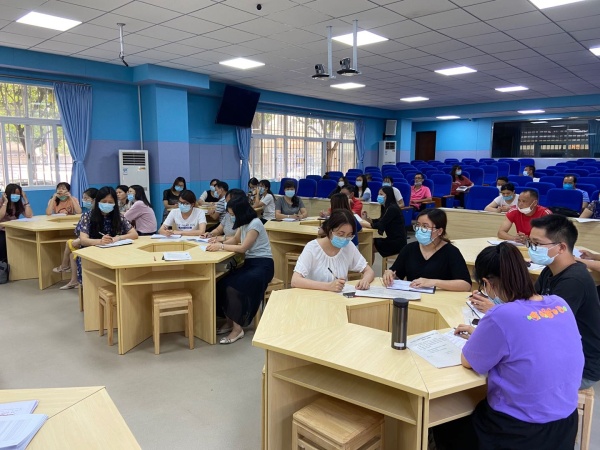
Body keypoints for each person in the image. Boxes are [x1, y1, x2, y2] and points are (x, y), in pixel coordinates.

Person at [436, 242, 583, 450]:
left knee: (443, 424)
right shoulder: (559, 303)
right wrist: (482, 336)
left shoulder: (501, 315)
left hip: (517, 432)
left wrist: (482, 337)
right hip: (564, 428)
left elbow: (468, 361)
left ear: (486, 283)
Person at [529, 215, 600, 389]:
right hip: (558, 353)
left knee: (508, 372)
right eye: (530, 242)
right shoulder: (550, 270)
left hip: (581, 369)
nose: (531, 248)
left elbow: (544, 326)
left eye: (537, 244)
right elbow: (531, 304)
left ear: (561, 247)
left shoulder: (573, 281)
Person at [206, 196, 274, 344]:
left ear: (240, 212)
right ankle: (230, 321)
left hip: (263, 265)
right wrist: (218, 241)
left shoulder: (255, 223)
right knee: (221, 284)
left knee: (234, 287)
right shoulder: (243, 223)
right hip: (250, 264)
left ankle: (238, 329)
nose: (232, 216)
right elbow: (235, 240)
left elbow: (243, 248)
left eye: (232, 214)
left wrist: (221, 246)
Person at [383, 209, 471, 292]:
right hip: (413, 296)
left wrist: (434, 282)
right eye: (418, 225)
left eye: (425, 226)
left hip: (440, 298)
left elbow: (466, 285)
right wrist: (390, 275)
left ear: (439, 231)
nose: (420, 229)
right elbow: (397, 275)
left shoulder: (451, 252)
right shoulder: (409, 249)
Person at [292, 209, 375, 292]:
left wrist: (365, 280)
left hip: (338, 297)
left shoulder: (348, 246)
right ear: (330, 230)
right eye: (340, 234)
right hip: (314, 296)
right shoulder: (312, 248)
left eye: (349, 235)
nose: (344, 238)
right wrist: (328, 286)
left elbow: (368, 270)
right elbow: (295, 281)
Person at [53, 187, 98, 289]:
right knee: (72, 253)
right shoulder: (89, 213)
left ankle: (64, 267)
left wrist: (81, 239)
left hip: (94, 243)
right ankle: (73, 279)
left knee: (70, 245)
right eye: (83, 198)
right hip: (89, 239)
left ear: (94, 199)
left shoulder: (93, 214)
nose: (84, 200)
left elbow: (79, 212)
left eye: (86, 198)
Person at [361, 186, 406, 258]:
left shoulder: (392, 208)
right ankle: (368, 264)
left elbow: (380, 225)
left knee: (370, 246)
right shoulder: (387, 207)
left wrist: (364, 224)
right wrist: (366, 218)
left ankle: (368, 264)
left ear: (388, 195)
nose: (379, 196)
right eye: (379, 194)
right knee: (371, 242)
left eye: (381, 194)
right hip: (392, 239)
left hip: (397, 243)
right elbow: (380, 220)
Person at [0, 183, 33, 262]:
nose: (16, 196)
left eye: (18, 194)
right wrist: (5, 202)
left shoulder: (18, 203)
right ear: (8, 193)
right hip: (2, 230)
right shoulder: (1, 202)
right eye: (14, 193)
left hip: (13, 229)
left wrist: (25, 199)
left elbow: (29, 215)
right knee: (3, 245)